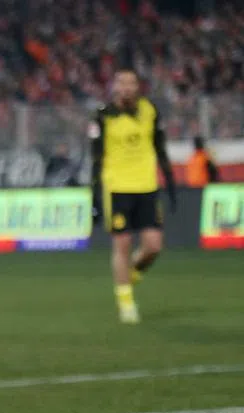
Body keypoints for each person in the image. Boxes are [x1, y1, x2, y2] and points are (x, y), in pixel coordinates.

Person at [89, 68, 176, 325]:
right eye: (121, 83)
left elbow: (160, 148)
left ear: (138, 87)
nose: (126, 87)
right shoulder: (103, 116)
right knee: (123, 245)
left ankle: (130, 276)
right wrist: (94, 195)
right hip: (117, 187)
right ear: (114, 87)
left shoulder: (150, 111)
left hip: (147, 186)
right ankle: (126, 303)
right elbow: (96, 158)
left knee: (153, 246)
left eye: (131, 83)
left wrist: (170, 182)